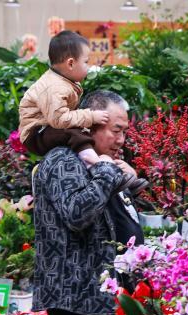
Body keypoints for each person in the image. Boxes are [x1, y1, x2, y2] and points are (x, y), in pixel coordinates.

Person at [32, 90, 144, 315]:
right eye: (116, 130)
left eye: (125, 132)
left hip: (102, 298)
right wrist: (110, 173)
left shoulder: (97, 165)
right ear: (91, 123)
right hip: (74, 296)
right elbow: (77, 213)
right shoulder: (62, 161)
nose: (121, 140)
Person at [18, 30, 147, 193]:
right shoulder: (54, 87)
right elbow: (59, 120)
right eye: (86, 62)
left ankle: (101, 167)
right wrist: (90, 116)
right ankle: (97, 166)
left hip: (46, 127)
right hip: (36, 133)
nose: (121, 140)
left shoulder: (63, 82)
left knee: (76, 129)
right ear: (71, 64)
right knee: (73, 130)